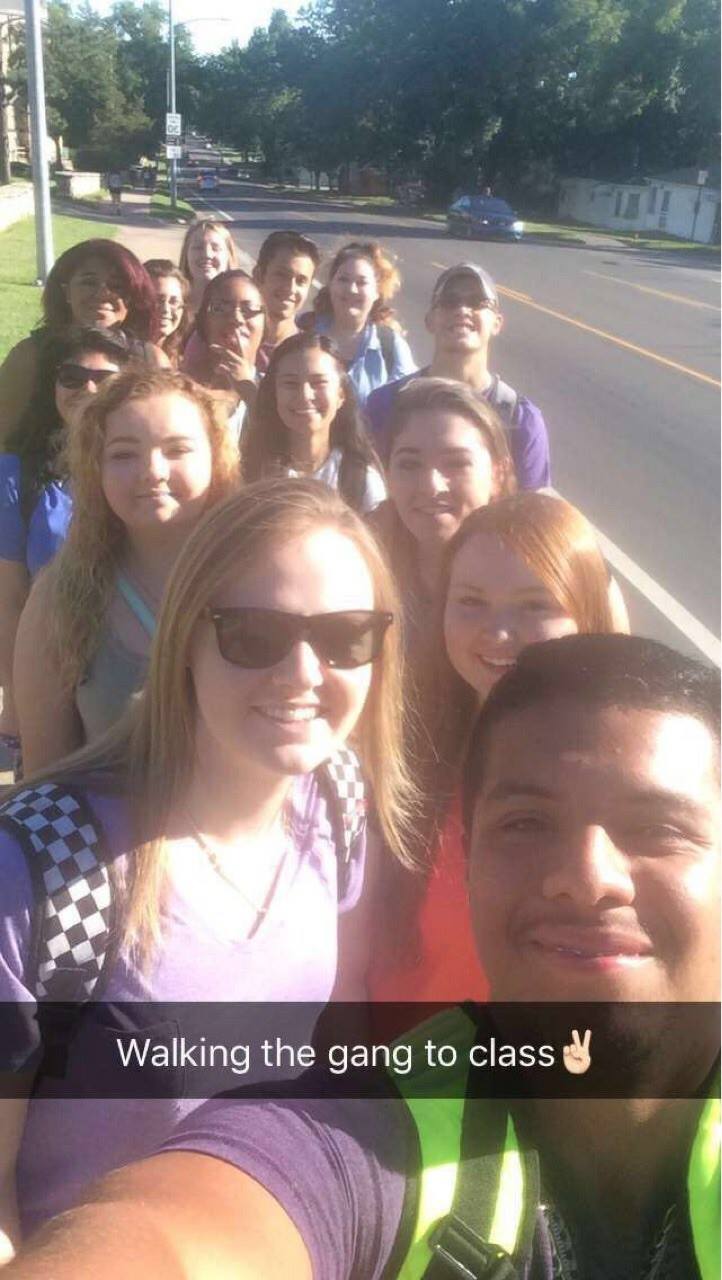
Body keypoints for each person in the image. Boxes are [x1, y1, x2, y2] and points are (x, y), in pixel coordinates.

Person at [5, 635, 718, 1280]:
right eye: (526, 823)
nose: (588, 877)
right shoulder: (346, 1138)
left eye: (657, 829)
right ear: (467, 866)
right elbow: (173, 1237)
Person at [0, 477, 414, 1258]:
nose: (303, 673)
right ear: (185, 639)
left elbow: (328, 1053)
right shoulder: (40, 871)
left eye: (345, 635)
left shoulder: (339, 801)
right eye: (253, 635)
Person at [369, 491, 627, 1012]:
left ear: (587, 612)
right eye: (470, 602)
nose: (499, 632)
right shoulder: (402, 752)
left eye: (535, 605)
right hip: (389, 1070)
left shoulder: (628, 782)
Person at [12, 368, 240, 774]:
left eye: (177, 449)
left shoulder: (260, 578)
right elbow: (44, 778)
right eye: (123, 454)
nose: (152, 471)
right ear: (94, 470)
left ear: (217, 459)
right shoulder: (61, 595)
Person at [0, 328, 133, 767]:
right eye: (72, 376)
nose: (87, 388)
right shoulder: (16, 474)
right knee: (54, 807)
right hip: (50, 676)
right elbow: (10, 601)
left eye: (104, 376)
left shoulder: (146, 469)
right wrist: (16, 700)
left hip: (132, 676)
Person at [366, 262, 551, 490]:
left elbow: (534, 516)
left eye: (477, 302)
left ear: (497, 323)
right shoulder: (384, 404)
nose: (462, 310)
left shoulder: (520, 419)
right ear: (429, 321)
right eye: (449, 301)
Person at [370, 377, 515, 661]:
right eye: (410, 464)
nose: (431, 486)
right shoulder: (361, 564)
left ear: (498, 474)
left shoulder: (543, 569)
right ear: (387, 474)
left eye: (456, 463)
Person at [0, 239, 165, 448]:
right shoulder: (28, 356)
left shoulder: (150, 359)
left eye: (116, 286)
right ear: (66, 291)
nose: (103, 293)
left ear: (132, 298)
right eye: (89, 282)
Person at [242, 332, 386, 514]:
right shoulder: (250, 473)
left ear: (341, 395)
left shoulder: (361, 480)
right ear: (274, 393)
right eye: (291, 384)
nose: (304, 395)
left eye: (318, 383)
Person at [305, 241, 416, 405]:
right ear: (330, 285)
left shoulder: (391, 347)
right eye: (343, 279)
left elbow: (409, 408)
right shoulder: (304, 332)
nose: (352, 289)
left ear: (377, 292)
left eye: (362, 282)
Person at [181, 270, 265, 435]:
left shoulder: (279, 390)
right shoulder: (178, 390)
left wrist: (249, 392)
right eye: (220, 308)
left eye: (249, 309)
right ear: (203, 321)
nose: (236, 318)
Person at [253, 230, 321, 373]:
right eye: (281, 275)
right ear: (259, 275)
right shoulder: (233, 341)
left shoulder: (311, 355)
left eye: (301, 281)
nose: (290, 288)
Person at [178, 217, 239, 315]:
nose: (207, 254)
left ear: (228, 255)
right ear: (186, 254)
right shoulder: (172, 304)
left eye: (215, 248)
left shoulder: (241, 306)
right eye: (198, 247)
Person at [144, 260, 191, 369]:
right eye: (157, 300)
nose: (165, 309)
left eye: (174, 302)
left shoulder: (183, 358)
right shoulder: (125, 354)